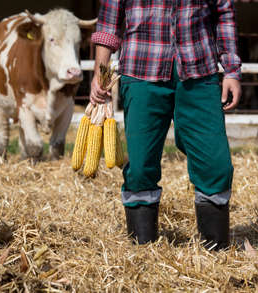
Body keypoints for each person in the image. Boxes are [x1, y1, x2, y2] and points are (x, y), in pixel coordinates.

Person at [90, 0, 242, 250]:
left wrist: (232, 71)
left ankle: (215, 252)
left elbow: (224, 13)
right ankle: (143, 250)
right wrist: (100, 72)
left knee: (216, 164)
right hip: (141, 71)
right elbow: (109, 21)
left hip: (199, 72)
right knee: (139, 167)